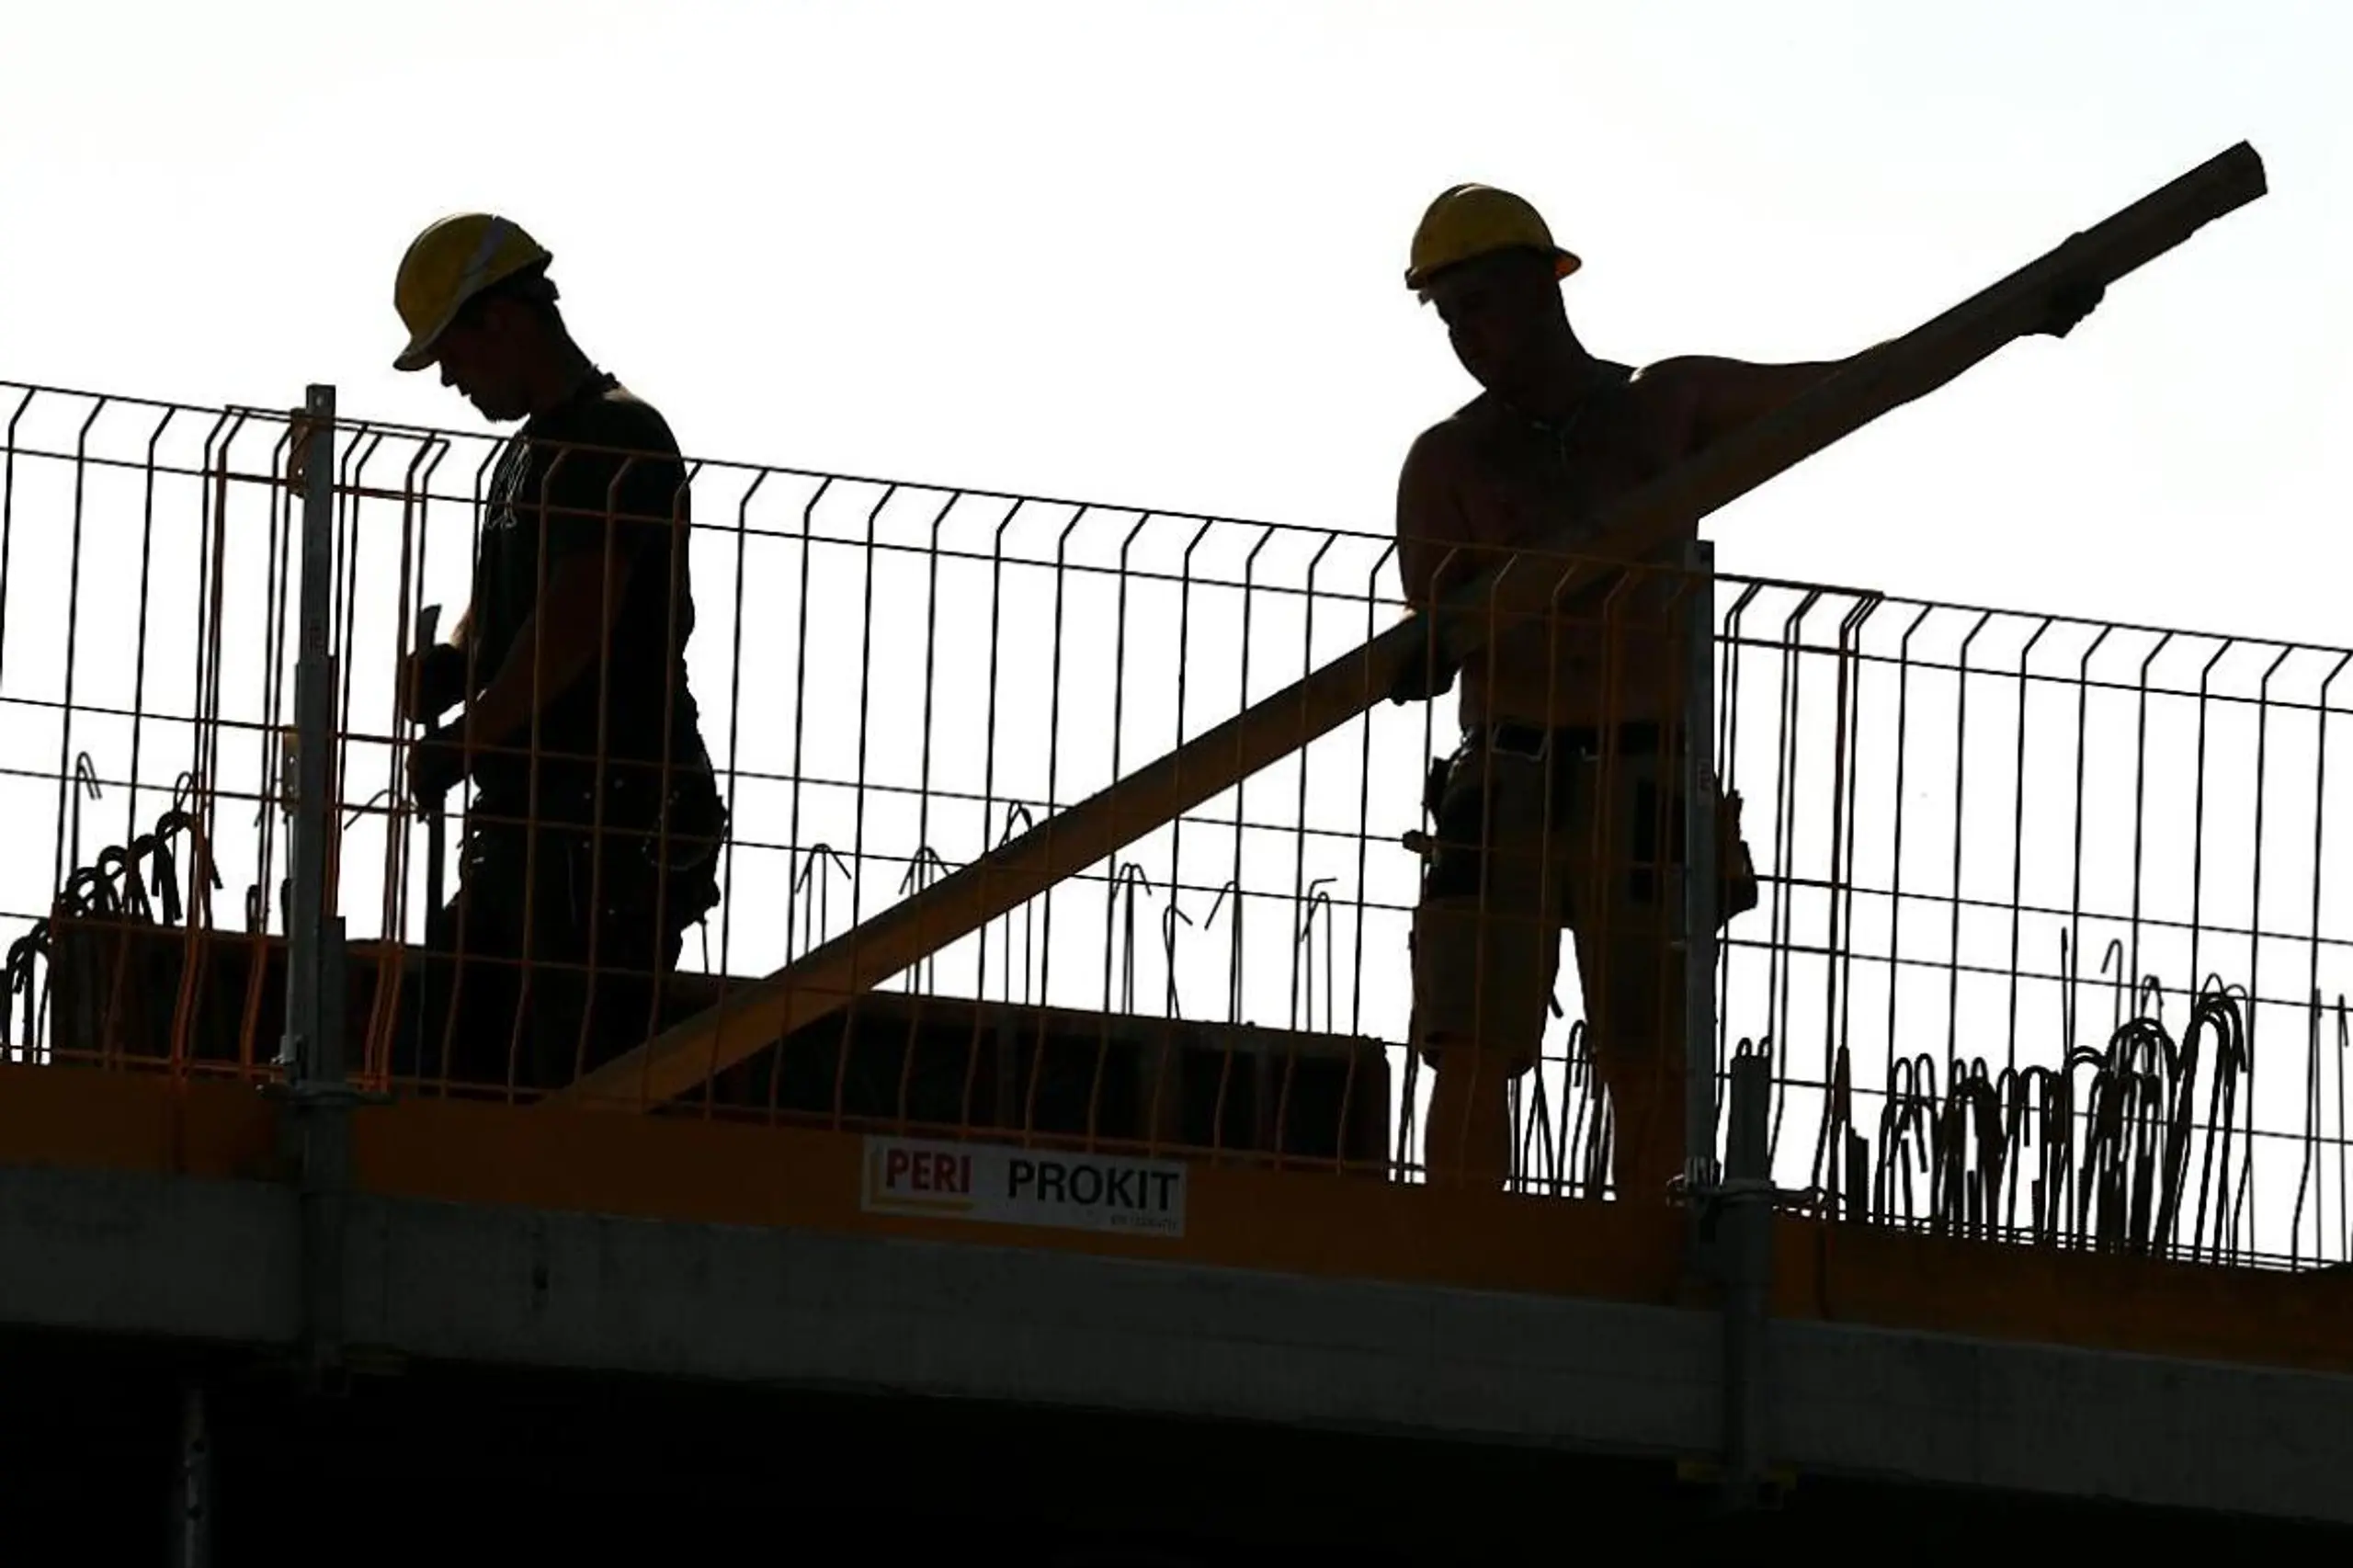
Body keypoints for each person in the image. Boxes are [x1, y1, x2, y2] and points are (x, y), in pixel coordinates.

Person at [1389, 183, 2099, 1198]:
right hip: (1506, 777)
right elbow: (1434, 638)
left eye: (1479, 304)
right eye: (1447, 315)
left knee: (1650, 1053)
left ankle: (1639, 1262)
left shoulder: (1662, 408)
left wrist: (2015, 317)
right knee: (1469, 1039)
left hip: (1642, 777)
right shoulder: (1448, 459)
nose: (1465, 335)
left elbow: (1862, 383)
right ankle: (1457, 1255)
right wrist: (1435, 641)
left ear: (1544, 286)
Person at [387, 211, 728, 1095]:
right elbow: (507, 606)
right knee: (450, 1059)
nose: (449, 381)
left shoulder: (617, 438)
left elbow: (576, 621)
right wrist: (458, 661)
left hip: (604, 825)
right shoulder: (531, 456)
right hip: (537, 827)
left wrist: (468, 739)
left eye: (450, 355)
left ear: (498, 320)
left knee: (567, 1078)